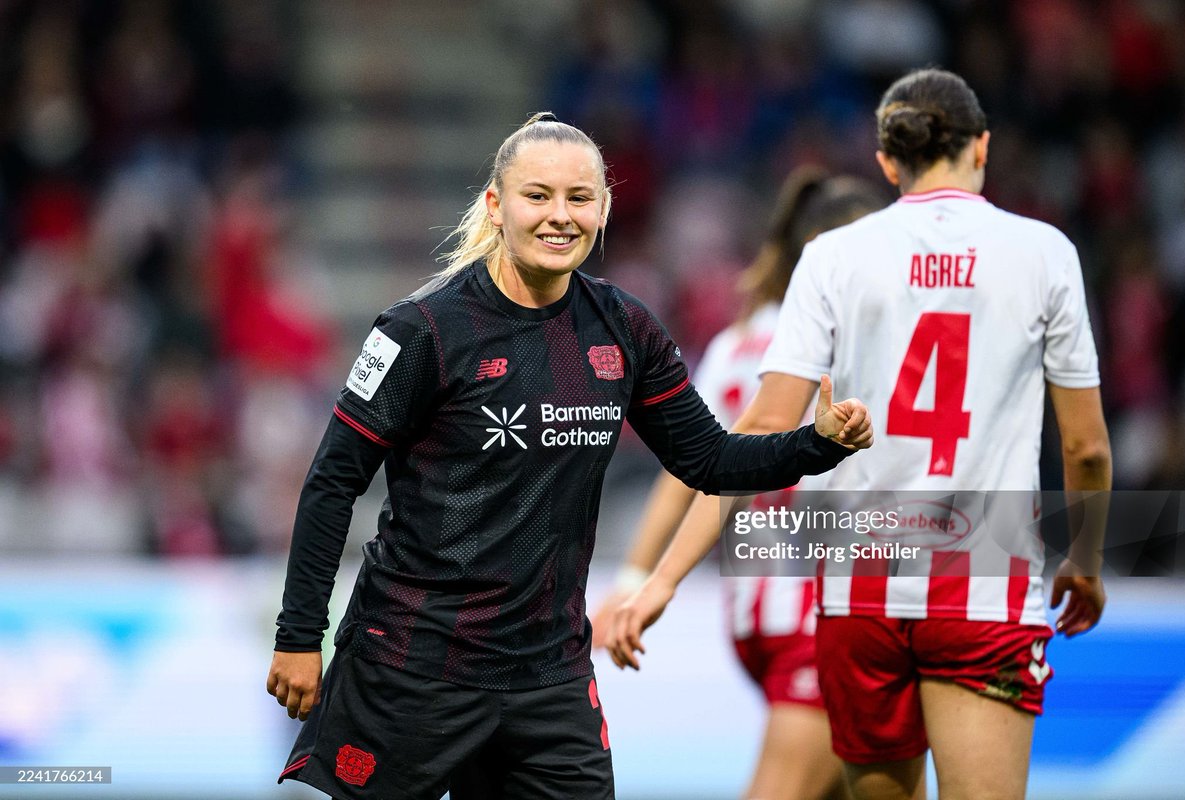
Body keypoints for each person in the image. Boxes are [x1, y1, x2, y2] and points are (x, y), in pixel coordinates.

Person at [265, 112, 874, 800]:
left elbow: (707, 461)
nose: (560, 216)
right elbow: (331, 482)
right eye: (538, 196)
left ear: (605, 209)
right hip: (414, 666)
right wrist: (298, 635)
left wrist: (818, 443)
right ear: (496, 205)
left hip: (548, 677)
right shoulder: (422, 328)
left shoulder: (626, 327)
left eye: (579, 199)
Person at [608, 69, 1112, 800]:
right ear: (983, 148)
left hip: (860, 591)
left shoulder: (833, 256)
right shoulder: (1044, 252)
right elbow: (1088, 446)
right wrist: (1087, 560)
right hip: (983, 583)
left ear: (886, 162)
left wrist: (660, 580)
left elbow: (757, 430)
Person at [590, 168, 890, 800]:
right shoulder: (864, 344)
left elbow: (688, 470)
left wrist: (635, 577)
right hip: (825, 615)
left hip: (754, 616)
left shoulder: (738, 341)